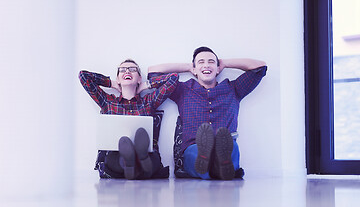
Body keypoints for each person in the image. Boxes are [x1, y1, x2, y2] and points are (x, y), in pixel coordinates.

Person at [148, 47, 267, 180]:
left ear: (218, 69)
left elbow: (259, 68)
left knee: (231, 147)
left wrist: (225, 63)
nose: (206, 65)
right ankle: (215, 167)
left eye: (211, 62)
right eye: (201, 62)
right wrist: (189, 67)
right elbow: (153, 73)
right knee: (196, 154)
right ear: (194, 70)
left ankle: (221, 166)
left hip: (225, 144)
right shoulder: (183, 90)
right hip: (194, 146)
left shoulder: (233, 89)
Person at [79, 59, 178, 180]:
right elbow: (83, 76)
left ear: (139, 78)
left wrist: (147, 84)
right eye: (122, 70)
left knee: (152, 156)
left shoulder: (149, 102)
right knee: (114, 155)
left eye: (132, 69)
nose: (127, 71)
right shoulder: (108, 102)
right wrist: (110, 83)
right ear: (118, 78)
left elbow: (173, 79)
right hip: (117, 154)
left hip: (147, 154)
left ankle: (135, 162)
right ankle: (134, 164)